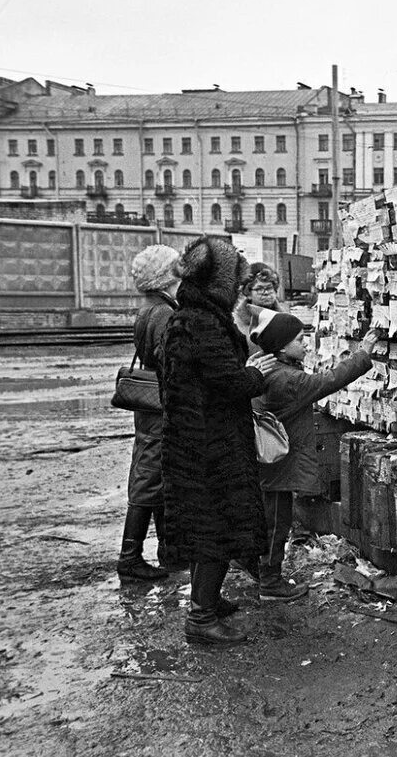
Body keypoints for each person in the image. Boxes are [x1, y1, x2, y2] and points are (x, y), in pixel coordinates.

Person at [160, 236, 278, 645]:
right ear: (221, 283)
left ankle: (207, 598)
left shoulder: (187, 316)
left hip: (192, 441)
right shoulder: (204, 323)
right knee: (215, 528)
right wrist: (256, 374)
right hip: (211, 448)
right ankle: (201, 617)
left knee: (204, 526)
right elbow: (227, 383)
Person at [249, 311, 380, 602]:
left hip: (265, 460)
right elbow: (328, 381)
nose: (306, 344)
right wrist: (363, 353)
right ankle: (270, 582)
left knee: (268, 517)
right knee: (277, 523)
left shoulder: (266, 369)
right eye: (300, 340)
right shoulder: (289, 379)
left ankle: (258, 569)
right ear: (282, 346)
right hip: (278, 464)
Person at [117, 245, 183, 581]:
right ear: (167, 275)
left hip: (147, 405)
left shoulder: (148, 309)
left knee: (154, 473)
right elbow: (167, 362)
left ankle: (165, 550)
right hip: (160, 405)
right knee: (149, 477)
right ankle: (131, 557)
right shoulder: (165, 313)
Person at [234, 263, 288, 354]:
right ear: (248, 293)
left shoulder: (286, 319)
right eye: (259, 289)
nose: (266, 293)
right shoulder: (237, 322)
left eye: (269, 288)